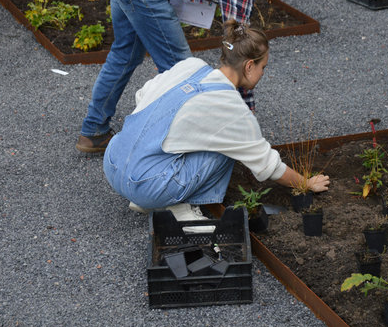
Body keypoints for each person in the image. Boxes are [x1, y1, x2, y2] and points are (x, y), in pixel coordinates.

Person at [76, 0, 323, 153]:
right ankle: (187, 146)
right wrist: (244, 114)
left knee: (125, 54)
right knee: (184, 71)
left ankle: (94, 132)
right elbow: (238, 52)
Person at [103, 20, 329, 226]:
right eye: (263, 67)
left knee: (185, 136)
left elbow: (142, 96)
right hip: (146, 185)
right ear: (249, 66)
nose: (262, 73)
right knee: (227, 147)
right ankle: (176, 207)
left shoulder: (190, 66)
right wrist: (305, 183)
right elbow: (267, 165)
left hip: (113, 161)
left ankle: (147, 197)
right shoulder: (232, 109)